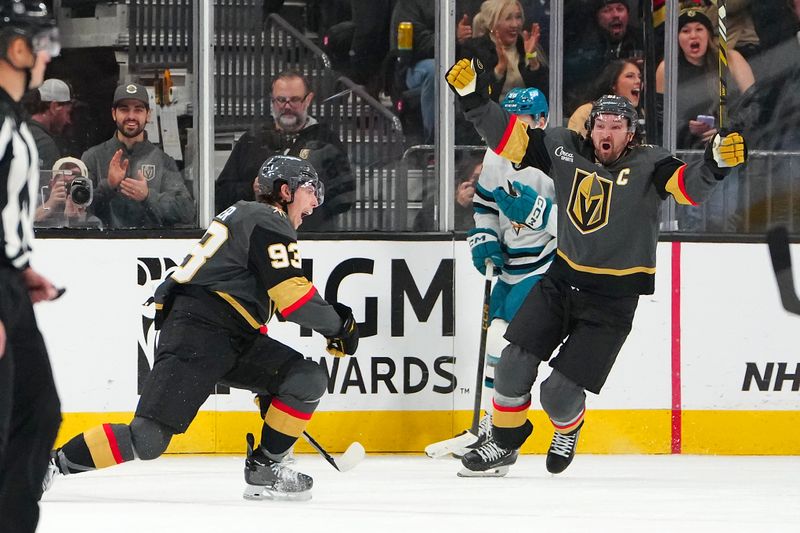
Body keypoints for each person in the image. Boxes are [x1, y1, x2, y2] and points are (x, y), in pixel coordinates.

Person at [445, 57, 747, 475]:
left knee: (557, 394)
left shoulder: (651, 163)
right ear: (591, 128)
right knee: (513, 362)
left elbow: (687, 188)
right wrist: (473, 97)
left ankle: (568, 426)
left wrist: (715, 165)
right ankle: (504, 440)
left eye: (617, 126)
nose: (607, 132)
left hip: (612, 302)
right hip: (561, 281)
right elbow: (507, 138)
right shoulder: (562, 148)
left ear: (631, 132)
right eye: (601, 124)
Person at [45, 155, 360, 501]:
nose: (315, 201)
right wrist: (339, 327)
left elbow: (245, 287)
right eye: (310, 190)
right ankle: (48, 464)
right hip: (199, 332)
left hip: (230, 332)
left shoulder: (249, 216)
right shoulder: (268, 219)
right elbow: (293, 298)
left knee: (304, 378)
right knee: (147, 439)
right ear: (285, 191)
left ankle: (265, 468)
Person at [455, 87, 557, 476]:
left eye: (523, 121)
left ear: (541, 121)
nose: (512, 130)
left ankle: (502, 438)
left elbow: (579, 227)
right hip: (509, 269)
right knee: (494, 341)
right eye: (509, 121)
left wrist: (536, 214)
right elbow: (485, 205)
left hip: (544, 269)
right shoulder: (495, 154)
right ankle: (492, 426)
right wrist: (486, 238)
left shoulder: (556, 158)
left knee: (503, 342)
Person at [0, 2, 64, 531]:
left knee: (37, 414)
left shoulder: (11, 118)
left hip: (9, 287)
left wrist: (18, 268)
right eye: (42, 43)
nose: (47, 56)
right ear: (16, 47)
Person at [215, 70, 354, 230]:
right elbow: (221, 194)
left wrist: (304, 197)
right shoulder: (251, 140)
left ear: (308, 99)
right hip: (257, 239)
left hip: (312, 241)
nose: (287, 106)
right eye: (281, 100)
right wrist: (251, 189)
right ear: (272, 101)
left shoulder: (326, 141)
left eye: (294, 100)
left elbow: (344, 199)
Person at [81, 82, 194, 229]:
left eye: (138, 110)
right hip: (104, 246)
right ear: (114, 114)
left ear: (148, 115)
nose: (131, 116)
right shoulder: (92, 157)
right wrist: (108, 186)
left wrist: (148, 196)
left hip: (149, 246)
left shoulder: (163, 161)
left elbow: (186, 211)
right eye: (124, 109)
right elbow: (79, 209)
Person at [655, 7, 754, 150]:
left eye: (699, 29)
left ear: (708, 35)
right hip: (685, 149)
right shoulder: (667, 67)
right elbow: (660, 117)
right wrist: (687, 128)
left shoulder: (730, 58)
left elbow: (755, 103)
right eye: (686, 31)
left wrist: (727, 128)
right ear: (677, 38)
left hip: (730, 145)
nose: (693, 36)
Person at [460, 0, 549, 104]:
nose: (515, 24)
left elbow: (546, 95)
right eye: (508, 18)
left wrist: (533, 60)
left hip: (528, 114)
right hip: (494, 116)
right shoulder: (474, 49)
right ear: (492, 24)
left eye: (518, 17)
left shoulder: (525, 44)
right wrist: (499, 69)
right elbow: (476, 99)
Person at [564, 0, 644, 114]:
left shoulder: (642, 40)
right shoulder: (583, 43)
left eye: (620, 9)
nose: (615, 15)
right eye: (607, 10)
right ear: (597, 16)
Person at [568, 58, 642, 138]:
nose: (638, 81)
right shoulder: (587, 112)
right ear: (613, 84)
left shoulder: (641, 115)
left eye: (640, 77)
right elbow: (573, 147)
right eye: (630, 76)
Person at [34, 156, 103, 228]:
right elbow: (25, 222)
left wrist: (75, 220)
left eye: (74, 185)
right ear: (52, 183)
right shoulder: (36, 202)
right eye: (66, 185)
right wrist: (49, 204)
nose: (69, 191)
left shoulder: (93, 222)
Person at [22, 77, 73, 171]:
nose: (68, 120)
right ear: (54, 107)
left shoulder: (18, 132)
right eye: (68, 112)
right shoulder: (45, 145)